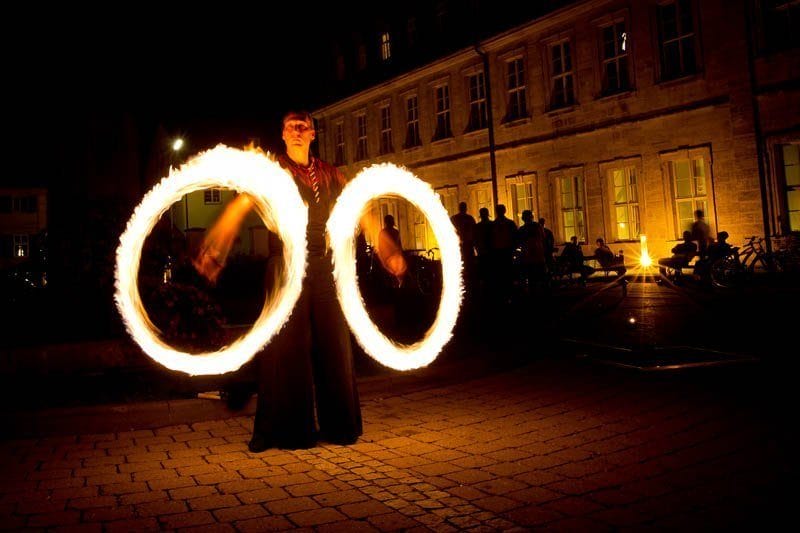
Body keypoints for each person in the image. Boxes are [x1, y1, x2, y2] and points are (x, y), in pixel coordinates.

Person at [194, 110, 362, 452]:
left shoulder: (330, 174)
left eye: (303, 127)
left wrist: (389, 253)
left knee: (336, 343)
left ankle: (340, 426)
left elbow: (360, 210)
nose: (297, 132)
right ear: (282, 135)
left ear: (313, 133)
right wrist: (219, 246)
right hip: (286, 266)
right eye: (291, 127)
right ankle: (287, 430)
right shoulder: (273, 172)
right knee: (287, 348)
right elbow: (242, 205)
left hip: (324, 266)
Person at [451, 202, 476, 286]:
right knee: (467, 266)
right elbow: (474, 232)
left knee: (463, 266)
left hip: (461, 246)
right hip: (465, 246)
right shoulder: (469, 219)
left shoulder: (454, 219)